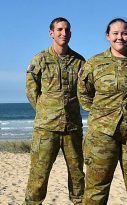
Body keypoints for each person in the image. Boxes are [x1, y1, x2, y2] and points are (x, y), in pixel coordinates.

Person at [77, 18, 127, 204]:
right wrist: (102, 114)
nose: (120, 37)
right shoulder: (94, 63)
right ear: (107, 36)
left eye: (125, 33)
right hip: (102, 135)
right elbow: (83, 94)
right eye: (116, 33)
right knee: (97, 187)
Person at [24, 17, 85, 205]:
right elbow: (31, 90)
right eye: (59, 29)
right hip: (46, 129)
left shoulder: (79, 61)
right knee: (39, 174)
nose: (63, 33)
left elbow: (86, 90)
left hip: (72, 127)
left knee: (77, 174)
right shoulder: (40, 59)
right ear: (51, 33)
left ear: (71, 34)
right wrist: (45, 111)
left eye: (67, 30)